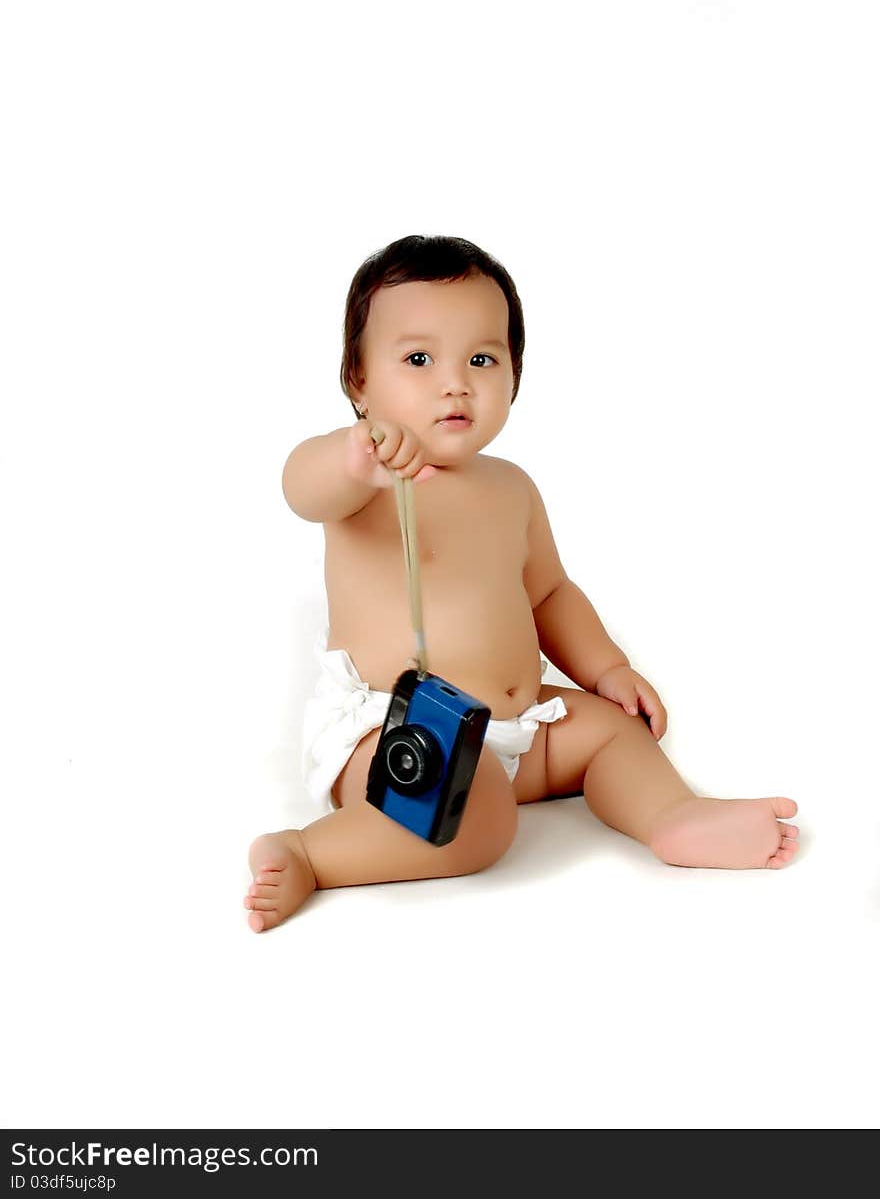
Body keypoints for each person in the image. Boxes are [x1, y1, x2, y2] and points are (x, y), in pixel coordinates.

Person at [244, 235, 799, 931]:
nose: (455, 382)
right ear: (358, 380)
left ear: (514, 374)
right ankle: (311, 853)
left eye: (482, 358)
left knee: (615, 733)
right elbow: (301, 487)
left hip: (519, 722)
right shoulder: (366, 481)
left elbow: (549, 595)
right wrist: (352, 458)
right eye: (418, 359)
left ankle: (672, 816)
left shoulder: (512, 487)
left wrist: (607, 667)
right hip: (396, 732)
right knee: (472, 818)